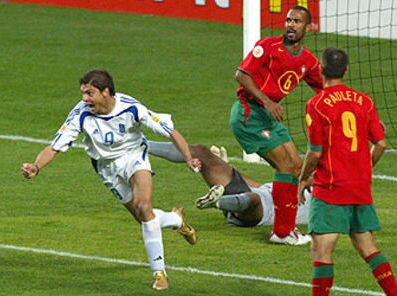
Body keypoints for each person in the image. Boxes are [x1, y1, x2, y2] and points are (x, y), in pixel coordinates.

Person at [21, 69, 202, 291]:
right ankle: (176, 220)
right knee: (143, 218)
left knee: (145, 208)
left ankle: (159, 273)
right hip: (106, 169)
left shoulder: (132, 107)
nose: (84, 99)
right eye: (83, 94)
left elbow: (170, 132)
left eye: (90, 93)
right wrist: (36, 166)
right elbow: (55, 147)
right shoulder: (80, 114)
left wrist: (189, 158)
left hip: (135, 157)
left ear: (106, 92)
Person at [298, 48, 397, 295]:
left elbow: (315, 153)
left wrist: (302, 179)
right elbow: (381, 143)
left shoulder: (317, 104)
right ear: (346, 70)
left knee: (322, 250)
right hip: (360, 186)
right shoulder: (365, 101)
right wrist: (364, 167)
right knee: (367, 247)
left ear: (320, 69)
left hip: (331, 188)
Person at [230, 5, 323, 245]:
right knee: (286, 166)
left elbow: (325, 88)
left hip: (269, 117)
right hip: (248, 114)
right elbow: (241, 75)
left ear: (308, 27)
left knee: (296, 167)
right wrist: (267, 101)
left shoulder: (308, 61)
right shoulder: (268, 46)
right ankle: (282, 232)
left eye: (297, 21)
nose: (291, 25)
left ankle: (286, 228)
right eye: (289, 20)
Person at [148, 141, 310, 240]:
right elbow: (261, 187)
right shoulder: (302, 184)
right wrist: (229, 168)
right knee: (200, 152)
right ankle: (139, 143)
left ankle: (217, 202)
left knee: (253, 199)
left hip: (262, 213)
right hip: (259, 192)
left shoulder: (326, 201)